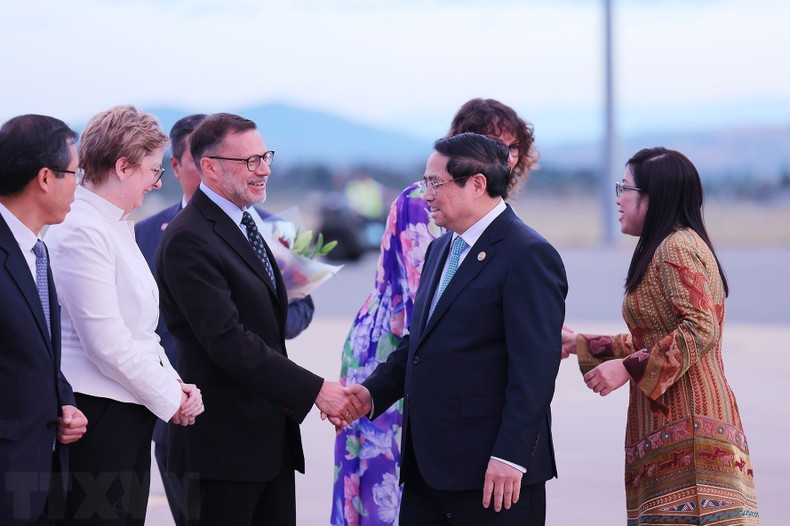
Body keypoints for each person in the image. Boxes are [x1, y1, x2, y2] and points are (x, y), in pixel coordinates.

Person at [331, 98, 538, 525]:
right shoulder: (442, 246)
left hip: (489, 469)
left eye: (434, 184)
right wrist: (372, 392)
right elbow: (420, 339)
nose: (424, 194)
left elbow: (532, 371)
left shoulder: (528, 254)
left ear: (477, 184)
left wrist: (511, 456)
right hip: (427, 464)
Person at [156, 112, 360, 525]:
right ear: (209, 167)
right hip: (222, 449)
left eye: (265, 156)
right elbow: (229, 341)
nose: (264, 169)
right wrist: (317, 390)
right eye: (249, 161)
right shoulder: (189, 238)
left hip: (267, 442)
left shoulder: (248, 223)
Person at [561, 147, 759, 524]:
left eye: (625, 187)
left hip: (691, 429)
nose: (617, 197)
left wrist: (628, 368)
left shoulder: (676, 248)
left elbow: (701, 328)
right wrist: (582, 344)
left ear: (653, 199)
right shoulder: (667, 246)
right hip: (673, 424)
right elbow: (655, 334)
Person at [45, 105, 204, 525]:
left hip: (127, 406)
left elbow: (142, 334)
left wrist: (177, 385)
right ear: (122, 166)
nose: (156, 182)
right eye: (154, 170)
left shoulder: (114, 224)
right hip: (98, 414)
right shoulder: (82, 229)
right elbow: (107, 343)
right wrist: (171, 399)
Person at [0, 114, 88, 525]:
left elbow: (35, 353)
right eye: (74, 173)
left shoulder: (36, 250)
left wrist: (64, 404)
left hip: (42, 473)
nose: (79, 184)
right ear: (45, 178)